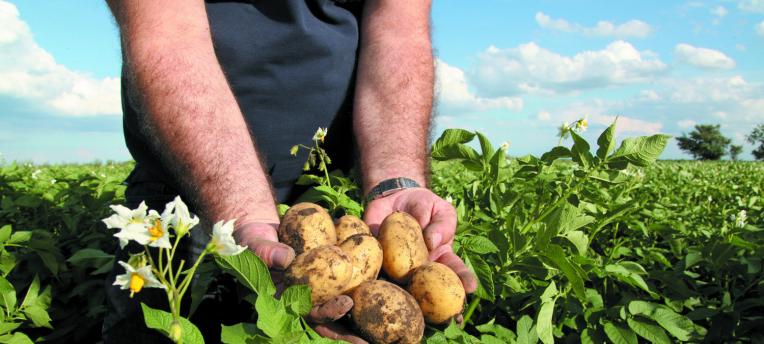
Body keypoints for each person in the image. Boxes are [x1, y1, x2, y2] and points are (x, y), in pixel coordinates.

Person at [103, 0, 477, 342]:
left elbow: (398, 30)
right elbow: (167, 35)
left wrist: (395, 182)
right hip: (187, 200)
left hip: (334, 195)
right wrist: (244, 210)